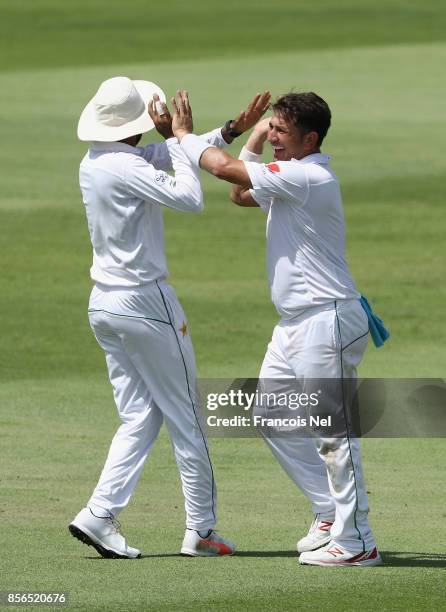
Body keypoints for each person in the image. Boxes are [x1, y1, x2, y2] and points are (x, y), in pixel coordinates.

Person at [171, 90, 383, 567]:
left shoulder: (309, 176)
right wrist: (256, 136)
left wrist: (183, 136)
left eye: (281, 132)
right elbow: (240, 194)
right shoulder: (290, 177)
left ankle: (358, 542)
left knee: (333, 431)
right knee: (269, 414)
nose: (273, 139)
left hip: (325, 319)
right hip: (296, 324)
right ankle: (330, 514)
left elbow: (223, 170)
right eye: (272, 130)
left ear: (310, 138)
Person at [69, 76, 269, 558]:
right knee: (187, 418)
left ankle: (98, 514)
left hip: (105, 304)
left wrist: (226, 131)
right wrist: (177, 135)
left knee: (138, 416)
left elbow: (165, 157)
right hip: (145, 303)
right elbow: (190, 196)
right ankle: (201, 530)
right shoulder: (124, 165)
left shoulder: (99, 159)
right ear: (137, 125)